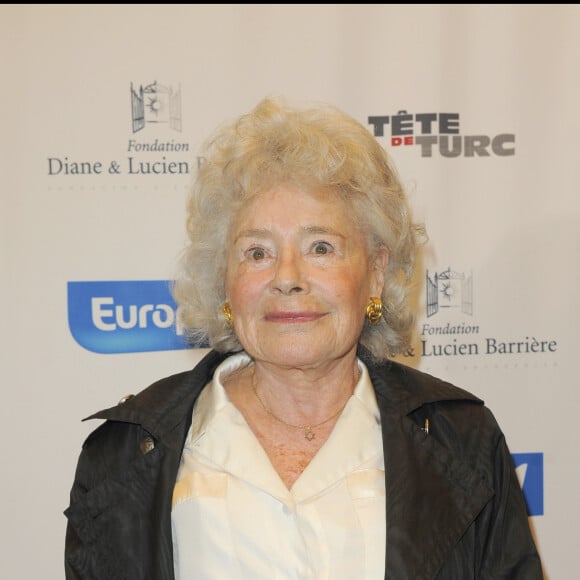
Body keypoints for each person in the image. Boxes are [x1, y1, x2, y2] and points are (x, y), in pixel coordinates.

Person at [64, 96, 543, 579]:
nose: (287, 277)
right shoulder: (124, 453)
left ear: (375, 274)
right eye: (257, 252)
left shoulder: (463, 443)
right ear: (224, 281)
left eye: (320, 247)